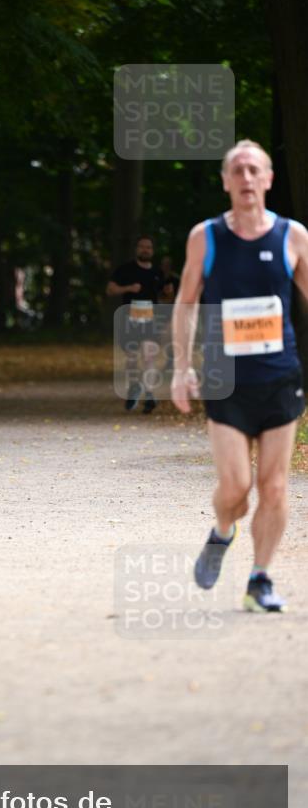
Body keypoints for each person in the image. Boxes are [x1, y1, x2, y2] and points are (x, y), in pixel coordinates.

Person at [172, 139, 308, 612]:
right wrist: (182, 367)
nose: (247, 178)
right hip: (225, 379)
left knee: (274, 486)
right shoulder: (205, 236)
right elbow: (186, 303)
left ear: (268, 179)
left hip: (280, 378)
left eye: (255, 170)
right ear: (226, 182)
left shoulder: (293, 236)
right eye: (238, 171)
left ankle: (259, 580)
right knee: (236, 489)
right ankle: (222, 530)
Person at [107, 235, 171, 414]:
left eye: (148, 247)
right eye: (142, 247)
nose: (145, 250)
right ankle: (135, 386)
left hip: (151, 320)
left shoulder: (157, 273)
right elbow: (110, 289)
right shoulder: (125, 270)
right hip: (130, 321)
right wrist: (128, 288)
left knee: (149, 356)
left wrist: (167, 292)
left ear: (152, 251)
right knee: (132, 359)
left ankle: (150, 395)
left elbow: (164, 296)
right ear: (136, 249)